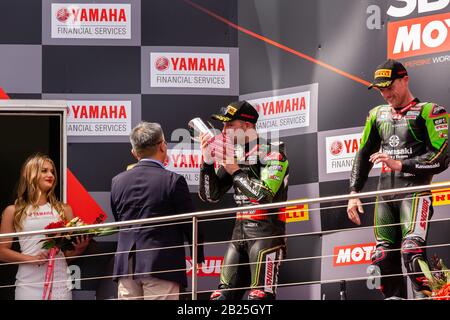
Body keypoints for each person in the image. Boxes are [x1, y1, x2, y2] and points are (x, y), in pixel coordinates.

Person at [347, 59, 449, 299]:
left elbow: (442, 156)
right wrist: (353, 192)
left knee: (412, 252)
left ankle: (429, 296)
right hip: (385, 196)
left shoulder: (430, 111)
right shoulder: (377, 115)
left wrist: (400, 164)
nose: (385, 93)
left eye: (389, 86)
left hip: (415, 193)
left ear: (405, 80)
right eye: (380, 89)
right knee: (382, 258)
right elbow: (362, 154)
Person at [198, 100, 289, 300]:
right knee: (221, 298)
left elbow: (264, 197)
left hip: (267, 234)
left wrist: (235, 171)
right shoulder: (235, 154)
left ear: (247, 126)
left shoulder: (273, 152)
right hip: (238, 234)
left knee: (258, 299)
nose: (224, 130)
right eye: (223, 125)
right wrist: (206, 162)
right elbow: (210, 196)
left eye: (229, 125)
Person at [111, 121, 204, 300]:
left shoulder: (117, 181)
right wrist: (197, 255)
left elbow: (119, 221)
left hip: (126, 266)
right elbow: (190, 224)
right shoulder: (173, 180)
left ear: (134, 152)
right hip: (162, 265)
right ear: (162, 146)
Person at [0, 154, 90, 300]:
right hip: (28, 284)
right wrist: (31, 259)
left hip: (59, 283)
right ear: (30, 174)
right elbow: (1, 252)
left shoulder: (63, 209)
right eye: (44, 171)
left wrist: (79, 249)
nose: (50, 175)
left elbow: (65, 255)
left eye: (52, 171)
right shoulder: (13, 210)